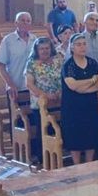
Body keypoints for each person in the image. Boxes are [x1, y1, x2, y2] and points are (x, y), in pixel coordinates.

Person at [61, 34, 98, 164]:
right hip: (73, 106)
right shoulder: (68, 65)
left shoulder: (92, 62)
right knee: (76, 135)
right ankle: (77, 164)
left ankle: (89, 163)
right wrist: (91, 81)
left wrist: (84, 88)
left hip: (90, 104)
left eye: (84, 44)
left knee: (91, 133)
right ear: (72, 48)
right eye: (79, 44)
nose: (82, 47)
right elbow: (73, 86)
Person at [24, 37, 63, 166]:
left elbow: (64, 77)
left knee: (60, 128)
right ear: (36, 50)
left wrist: (59, 92)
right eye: (41, 49)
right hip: (40, 103)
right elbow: (29, 84)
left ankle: (59, 154)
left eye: (47, 48)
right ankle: (44, 158)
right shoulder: (31, 63)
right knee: (44, 131)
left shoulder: (58, 60)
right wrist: (46, 95)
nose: (45, 51)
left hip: (59, 100)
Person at [0, 12, 36, 100]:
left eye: (28, 21)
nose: (25, 23)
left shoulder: (35, 39)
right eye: (23, 20)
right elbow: (1, 65)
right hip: (16, 88)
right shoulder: (8, 40)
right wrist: (10, 84)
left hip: (34, 87)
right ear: (16, 23)